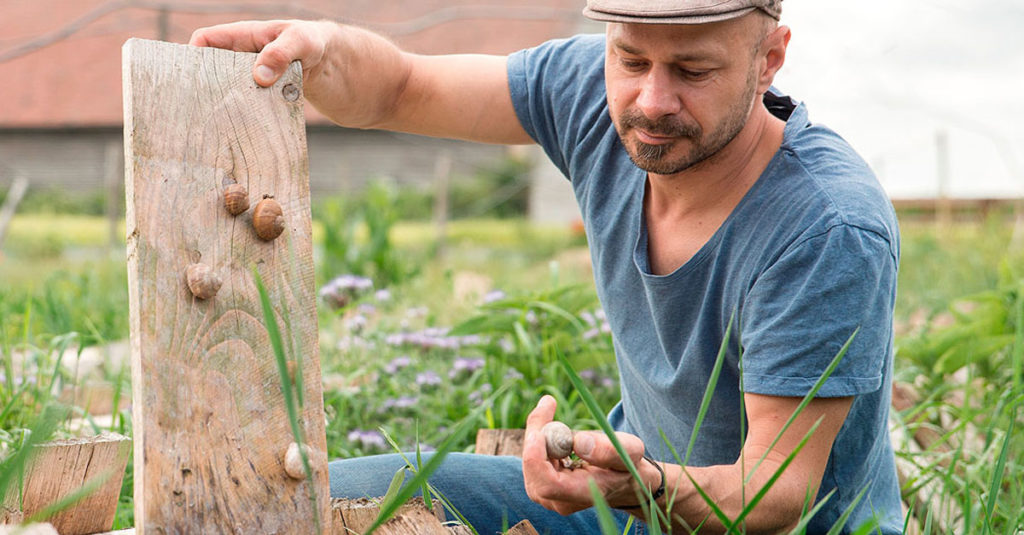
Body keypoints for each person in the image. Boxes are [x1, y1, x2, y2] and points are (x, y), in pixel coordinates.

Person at [191, 0, 902, 533]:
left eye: (694, 70)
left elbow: (774, 492)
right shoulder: (589, 94)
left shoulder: (825, 226)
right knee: (310, 502)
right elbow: (402, 87)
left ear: (770, 56)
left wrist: (640, 486)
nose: (652, 100)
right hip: (626, 505)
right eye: (630, 59)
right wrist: (322, 47)